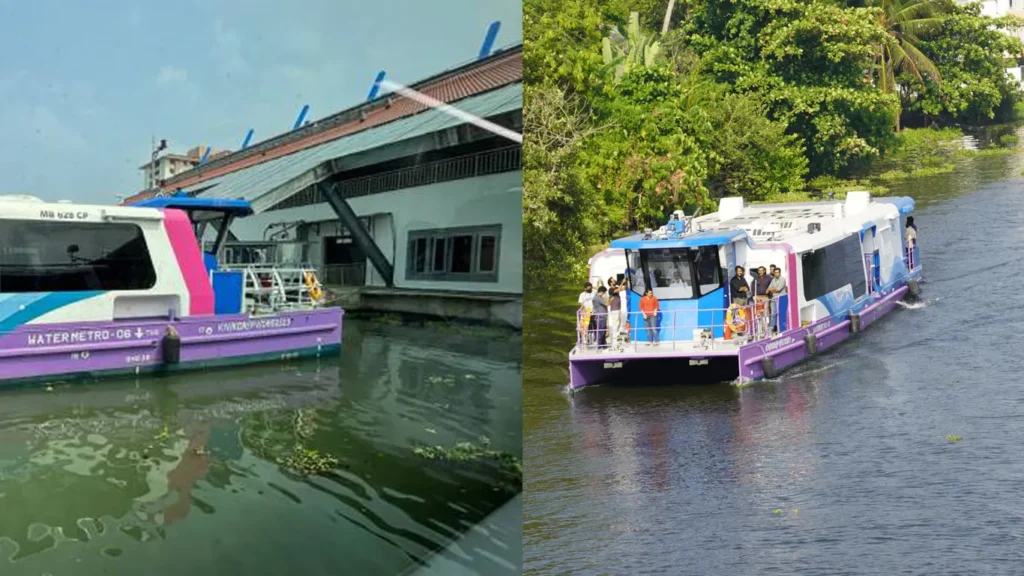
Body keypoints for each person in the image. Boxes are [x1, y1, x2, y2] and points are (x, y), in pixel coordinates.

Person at [767, 266, 787, 333]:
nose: (776, 274)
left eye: (777, 273)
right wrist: (772, 289)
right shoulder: (773, 279)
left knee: (781, 313)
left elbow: (778, 290)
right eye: (775, 273)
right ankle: (772, 328)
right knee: (773, 313)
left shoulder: (782, 279)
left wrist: (772, 289)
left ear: (780, 273)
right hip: (774, 298)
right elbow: (769, 288)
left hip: (781, 298)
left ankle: (781, 328)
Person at [607, 285, 623, 350]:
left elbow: (621, 289)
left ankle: (616, 336)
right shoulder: (611, 291)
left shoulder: (617, 295)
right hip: (614, 311)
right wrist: (622, 282)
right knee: (615, 324)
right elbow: (619, 289)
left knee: (619, 323)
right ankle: (614, 340)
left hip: (618, 310)